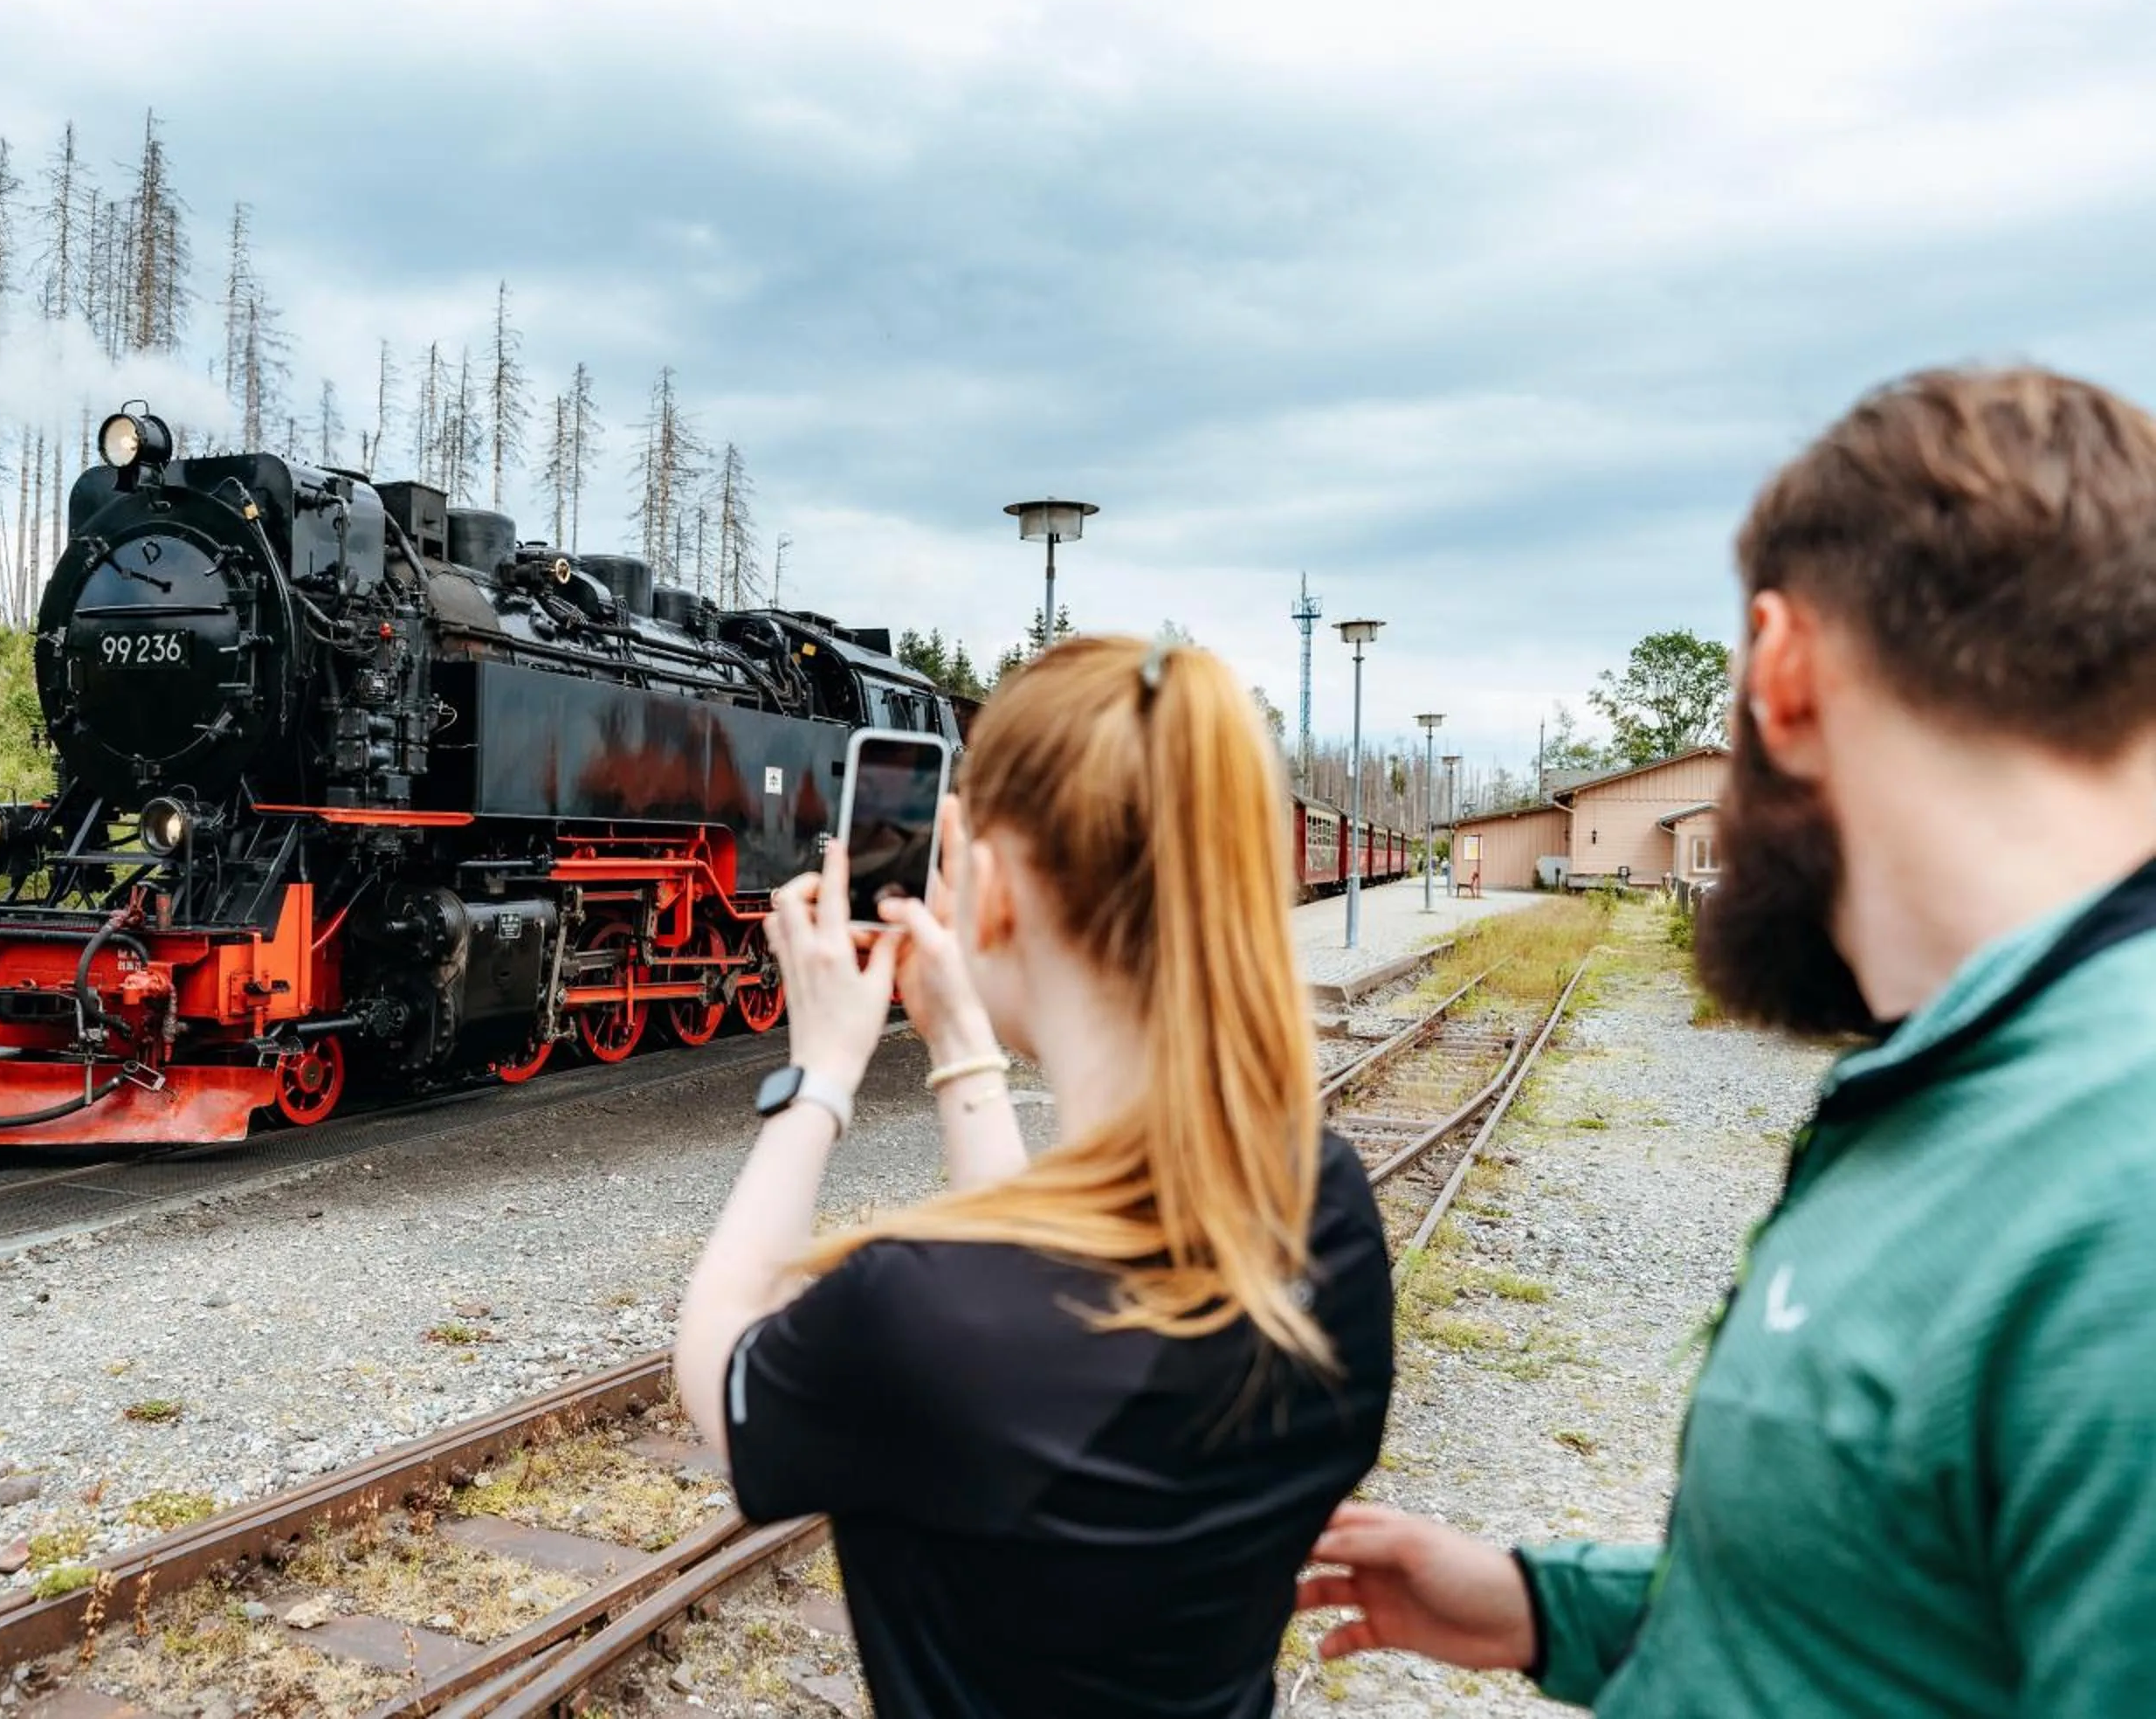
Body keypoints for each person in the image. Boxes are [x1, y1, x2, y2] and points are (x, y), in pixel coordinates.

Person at [1294, 366, 2156, 1714]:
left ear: (1785, 666)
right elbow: (1896, 1617)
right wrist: (1551, 1606)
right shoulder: (1982, 1076)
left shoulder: (2116, 1188)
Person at [674, 635, 1395, 1717]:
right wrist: (964, 1058)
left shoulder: (919, 1312)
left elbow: (720, 1371)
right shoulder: (1324, 1215)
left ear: (994, 885)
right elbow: (1043, 1282)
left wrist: (817, 1078)